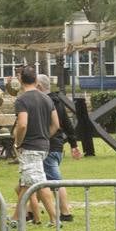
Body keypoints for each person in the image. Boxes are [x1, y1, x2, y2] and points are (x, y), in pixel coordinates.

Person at [9, 66, 59, 228]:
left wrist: (18, 142)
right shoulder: (46, 98)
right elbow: (56, 124)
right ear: (36, 80)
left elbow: (22, 124)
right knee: (26, 184)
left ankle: (54, 219)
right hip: (44, 146)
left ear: (21, 80)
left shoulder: (22, 100)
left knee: (38, 183)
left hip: (30, 147)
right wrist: (44, 136)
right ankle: (15, 219)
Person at [39, 74, 81, 221]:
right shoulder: (59, 102)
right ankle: (29, 211)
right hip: (57, 147)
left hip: (49, 146)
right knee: (38, 180)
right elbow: (68, 125)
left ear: (39, 87)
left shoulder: (45, 103)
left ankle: (65, 212)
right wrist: (73, 145)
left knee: (56, 181)